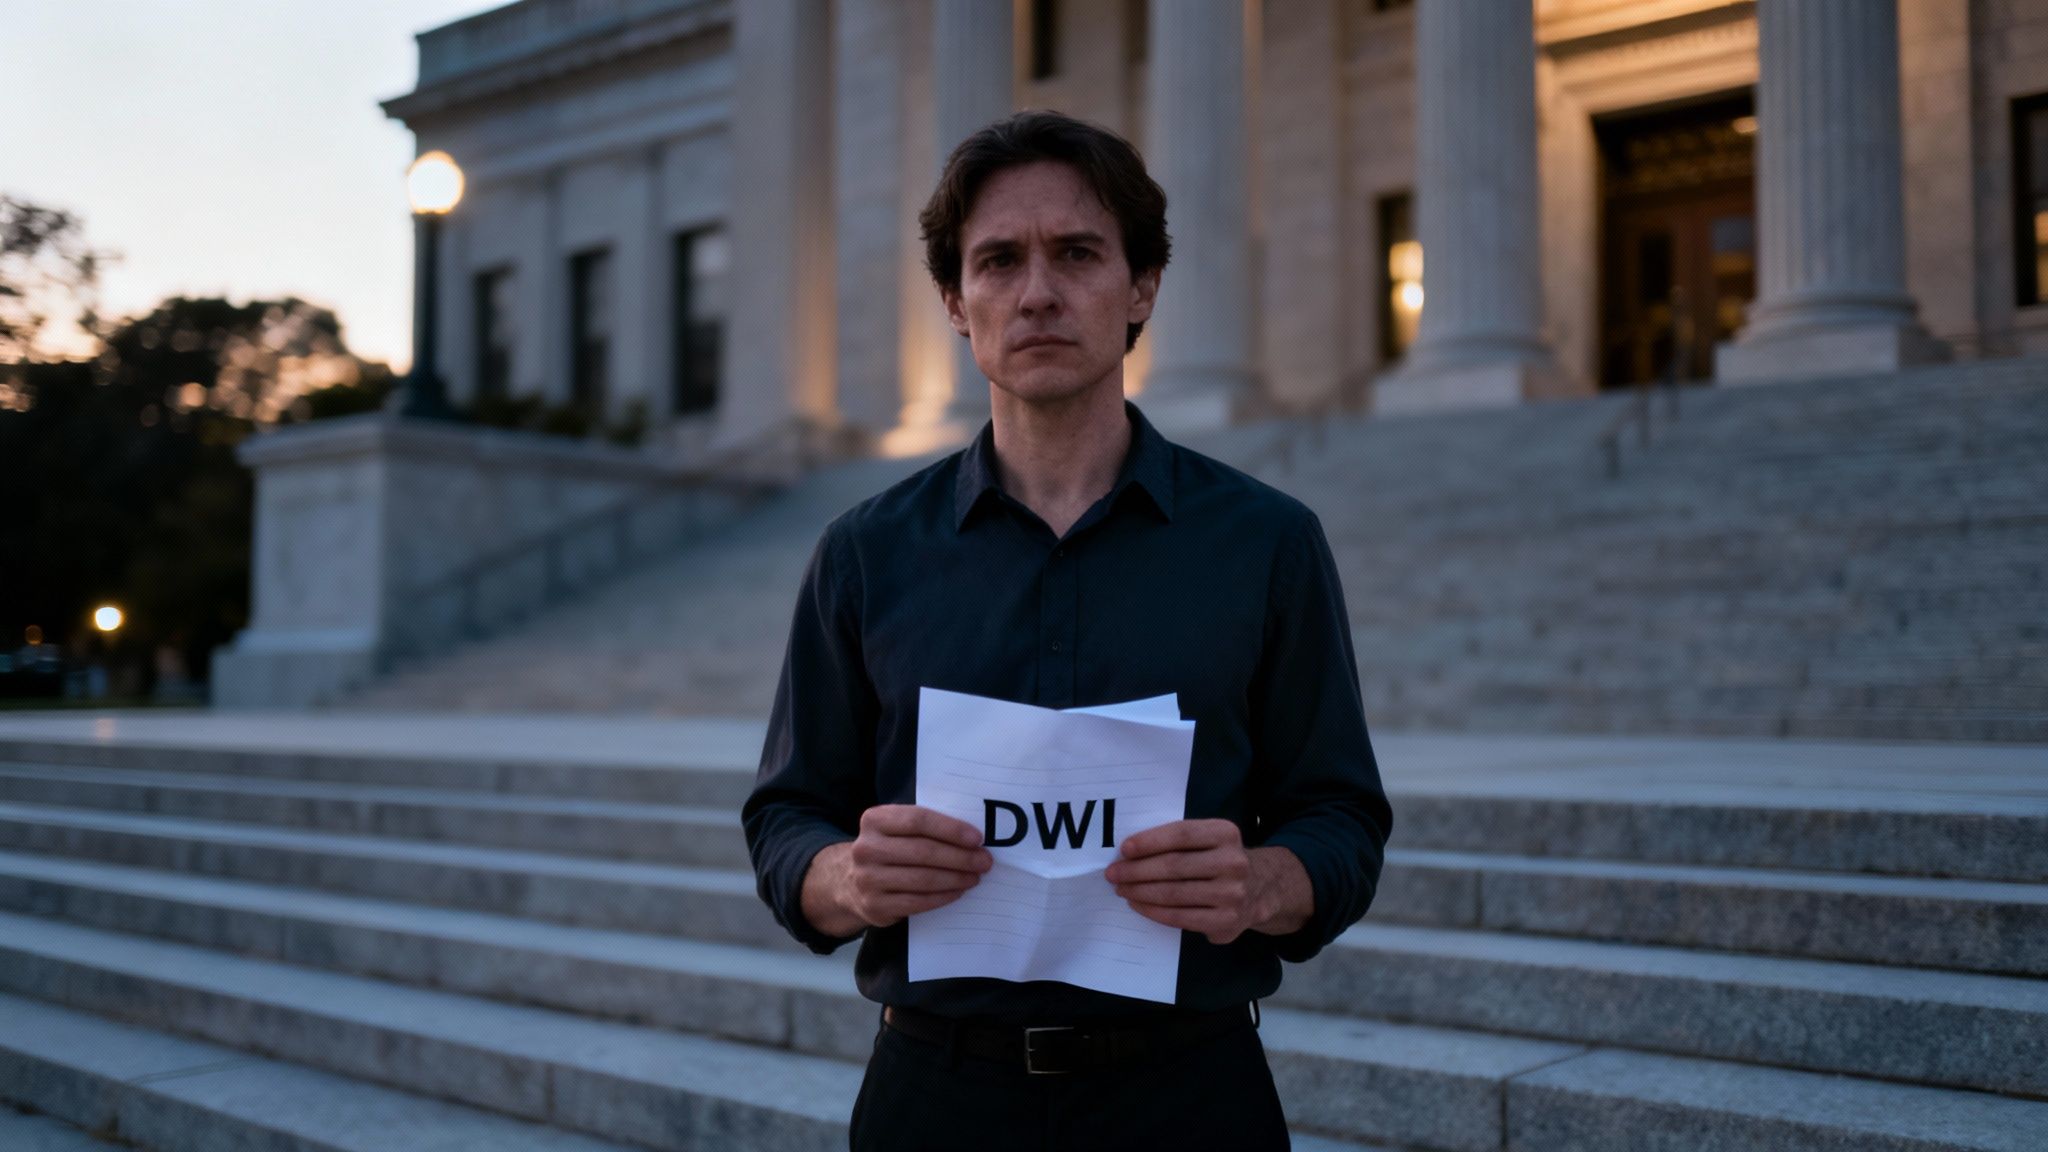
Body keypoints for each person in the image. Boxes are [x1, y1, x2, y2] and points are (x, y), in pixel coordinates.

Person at [742, 109, 1392, 1152]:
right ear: (956, 303)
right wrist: (843, 878)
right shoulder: (864, 554)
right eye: (997, 261)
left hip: (1188, 1092)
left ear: (1140, 288)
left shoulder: (1267, 543)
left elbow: (1340, 816)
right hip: (935, 1094)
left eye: (1077, 253)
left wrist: (1263, 882)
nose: (1036, 291)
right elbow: (786, 817)